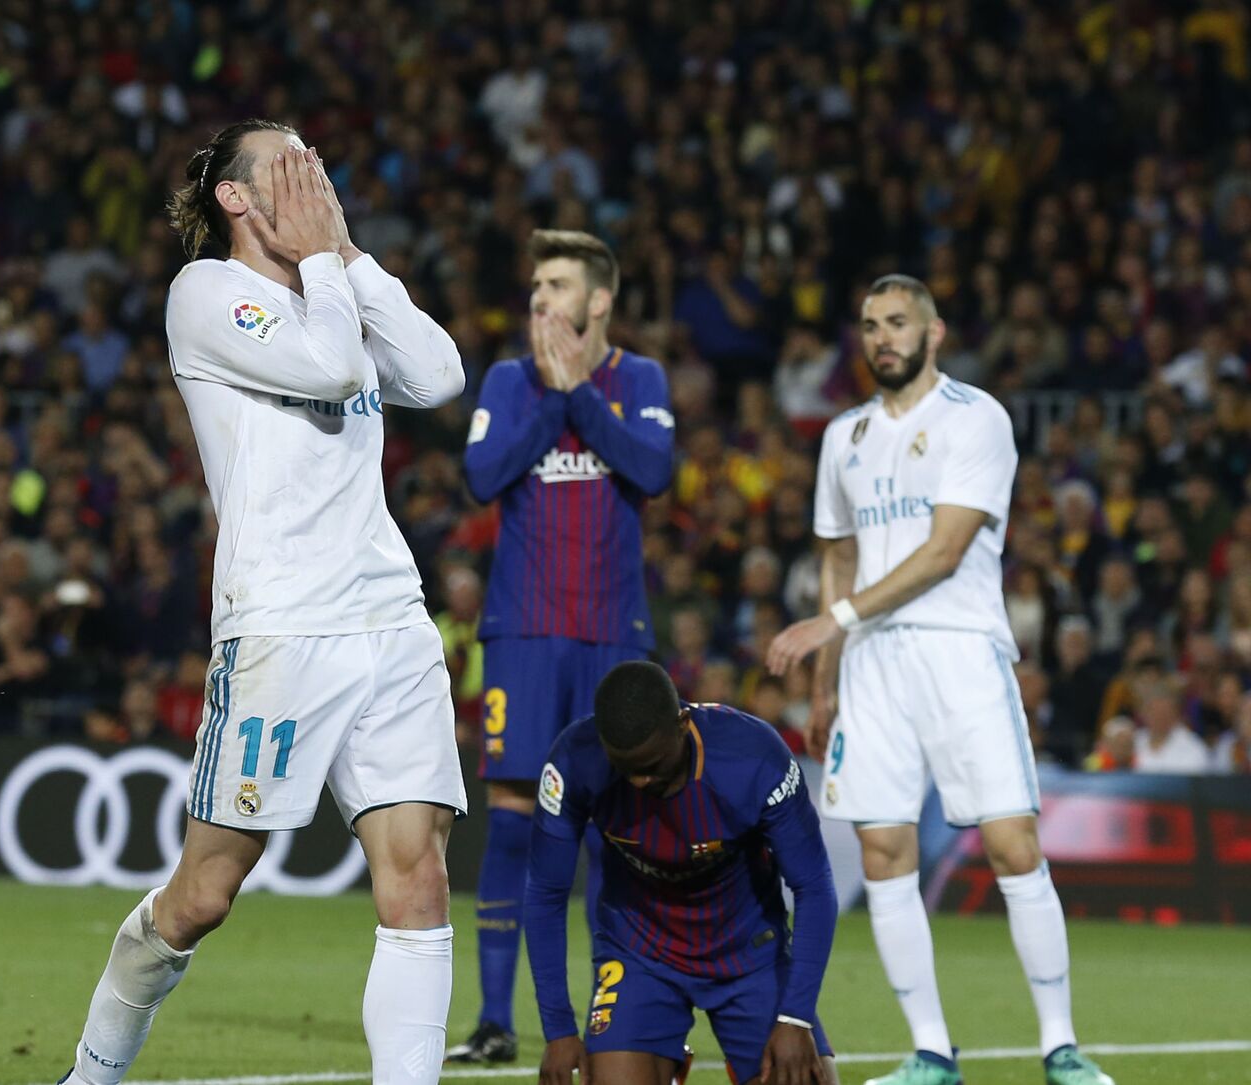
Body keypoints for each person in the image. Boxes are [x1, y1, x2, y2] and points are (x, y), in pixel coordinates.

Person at [55, 120, 467, 1085]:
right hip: (282, 623)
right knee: (203, 894)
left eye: (316, 162)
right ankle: (91, 1074)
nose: (312, 177)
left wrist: (348, 254)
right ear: (235, 198)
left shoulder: (333, 284)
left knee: (418, 877)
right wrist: (326, 262)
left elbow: (439, 374)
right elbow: (332, 367)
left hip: (390, 616)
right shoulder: (205, 294)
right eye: (289, 165)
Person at [767, 275, 1112, 1085]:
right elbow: (839, 555)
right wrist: (826, 682)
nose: (882, 337)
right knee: (882, 850)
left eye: (897, 322)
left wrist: (833, 621)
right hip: (871, 663)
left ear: (934, 332)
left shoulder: (975, 417)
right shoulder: (844, 436)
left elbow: (946, 550)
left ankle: (1060, 1044)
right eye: (870, 325)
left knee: (1011, 842)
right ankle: (931, 1052)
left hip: (960, 649)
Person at [452, 229, 675, 1063]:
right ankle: (494, 1020)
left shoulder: (640, 380)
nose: (540, 297)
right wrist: (556, 398)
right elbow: (483, 475)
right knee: (514, 821)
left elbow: (652, 470)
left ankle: (612, 1019)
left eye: (557, 285)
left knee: (611, 831)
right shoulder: (509, 381)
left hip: (614, 636)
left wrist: (581, 393)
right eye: (536, 284)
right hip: (525, 630)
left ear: (600, 300)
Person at [525, 660, 838, 1085]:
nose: (640, 781)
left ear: (682, 724)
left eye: (652, 765)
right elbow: (545, 892)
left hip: (748, 954)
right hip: (640, 953)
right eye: (626, 768)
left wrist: (796, 1018)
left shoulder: (754, 757)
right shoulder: (574, 760)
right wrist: (559, 1029)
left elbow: (814, 885)